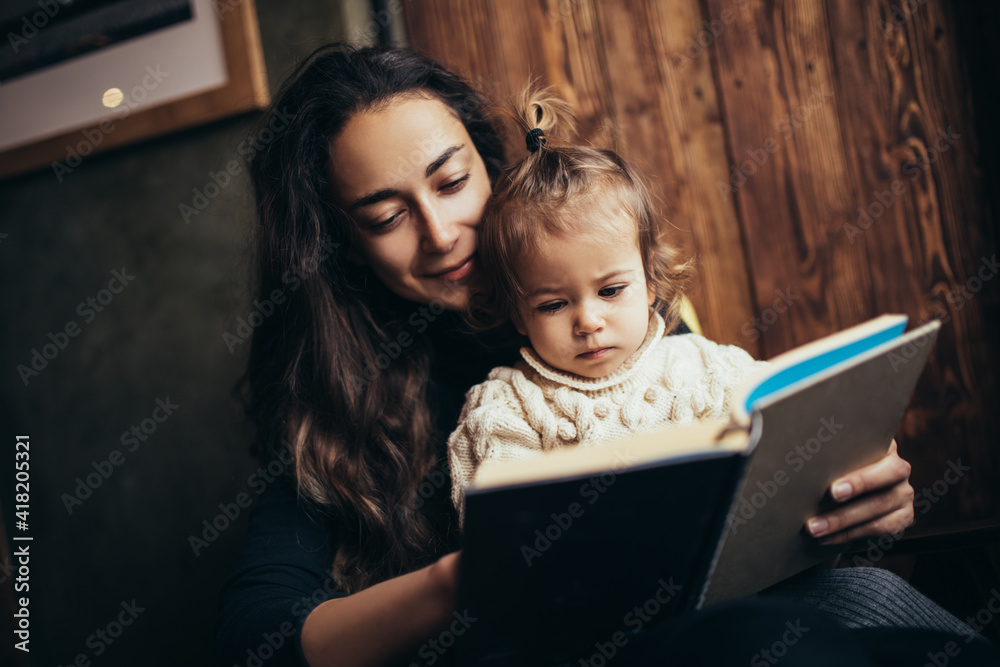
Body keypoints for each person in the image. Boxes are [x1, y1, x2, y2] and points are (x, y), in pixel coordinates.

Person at [215, 44, 980, 667]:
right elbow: (261, 639)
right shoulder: (335, 403)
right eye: (386, 216)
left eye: (453, 182)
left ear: (495, 169)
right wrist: (473, 575)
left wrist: (855, 491)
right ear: (344, 246)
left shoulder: (628, 321)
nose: (442, 232)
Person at [446, 87, 771, 523]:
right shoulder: (508, 407)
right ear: (518, 314)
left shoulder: (706, 367)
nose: (588, 321)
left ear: (652, 282)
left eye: (611, 291)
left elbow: (792, 428)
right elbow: (499, 532)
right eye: (553, 305)